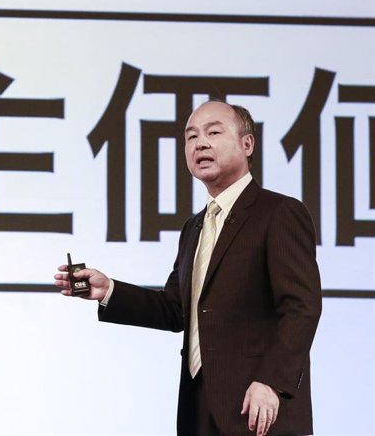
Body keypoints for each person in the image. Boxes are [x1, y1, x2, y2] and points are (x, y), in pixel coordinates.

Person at [54, 101, 322, 436]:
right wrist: (108, 290)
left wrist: (272, 382)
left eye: (214, 132)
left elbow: (302, 307)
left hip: (259, 409)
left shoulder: (279, 213)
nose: (200, 143)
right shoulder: (193, 228)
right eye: (191, 136)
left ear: (247, 144)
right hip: (198, 410)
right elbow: (175, 309)